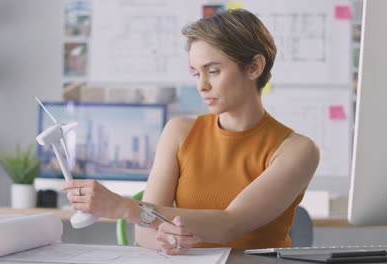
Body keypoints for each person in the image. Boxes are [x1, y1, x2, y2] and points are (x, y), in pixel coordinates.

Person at [61, 9, 319, 255]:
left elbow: (231, 224)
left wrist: (123, 207)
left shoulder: (296, 150)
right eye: (196, 74)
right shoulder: (179, 132)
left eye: (213, 71)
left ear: (254, 68)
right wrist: (166, 240)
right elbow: (144, 234)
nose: (202, 85)